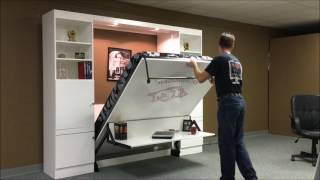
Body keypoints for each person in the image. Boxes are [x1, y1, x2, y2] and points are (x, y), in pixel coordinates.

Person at [187, 32, 257, 180]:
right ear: (232, 45)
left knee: (226, 144)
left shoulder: (219, 59)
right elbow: (227, 80)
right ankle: (251, 177)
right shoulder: (236, 61)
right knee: (238, 142)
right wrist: (215, 78)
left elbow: (200, 78)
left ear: (219, 44)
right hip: (240, 102)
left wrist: (193, 64)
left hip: (228, 104)